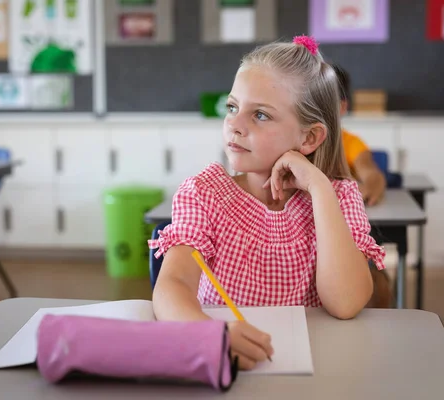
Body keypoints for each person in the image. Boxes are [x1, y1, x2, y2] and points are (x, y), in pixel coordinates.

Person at [149, 36, 386, 371]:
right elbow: (170, 287)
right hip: (226, 361)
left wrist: (319, 188)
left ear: (309, 138)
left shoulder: (339, 198)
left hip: (316, 369)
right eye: (232, 107)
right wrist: (209, 334)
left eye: (260, 114)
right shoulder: (205, 194)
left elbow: (346, 303)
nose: (234, 124)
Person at [331, 64, 387, 206]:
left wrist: (370, 187)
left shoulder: (350, 143)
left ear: (342, 107)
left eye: (326, 102)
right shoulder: (293, 141)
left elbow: (371, 174)